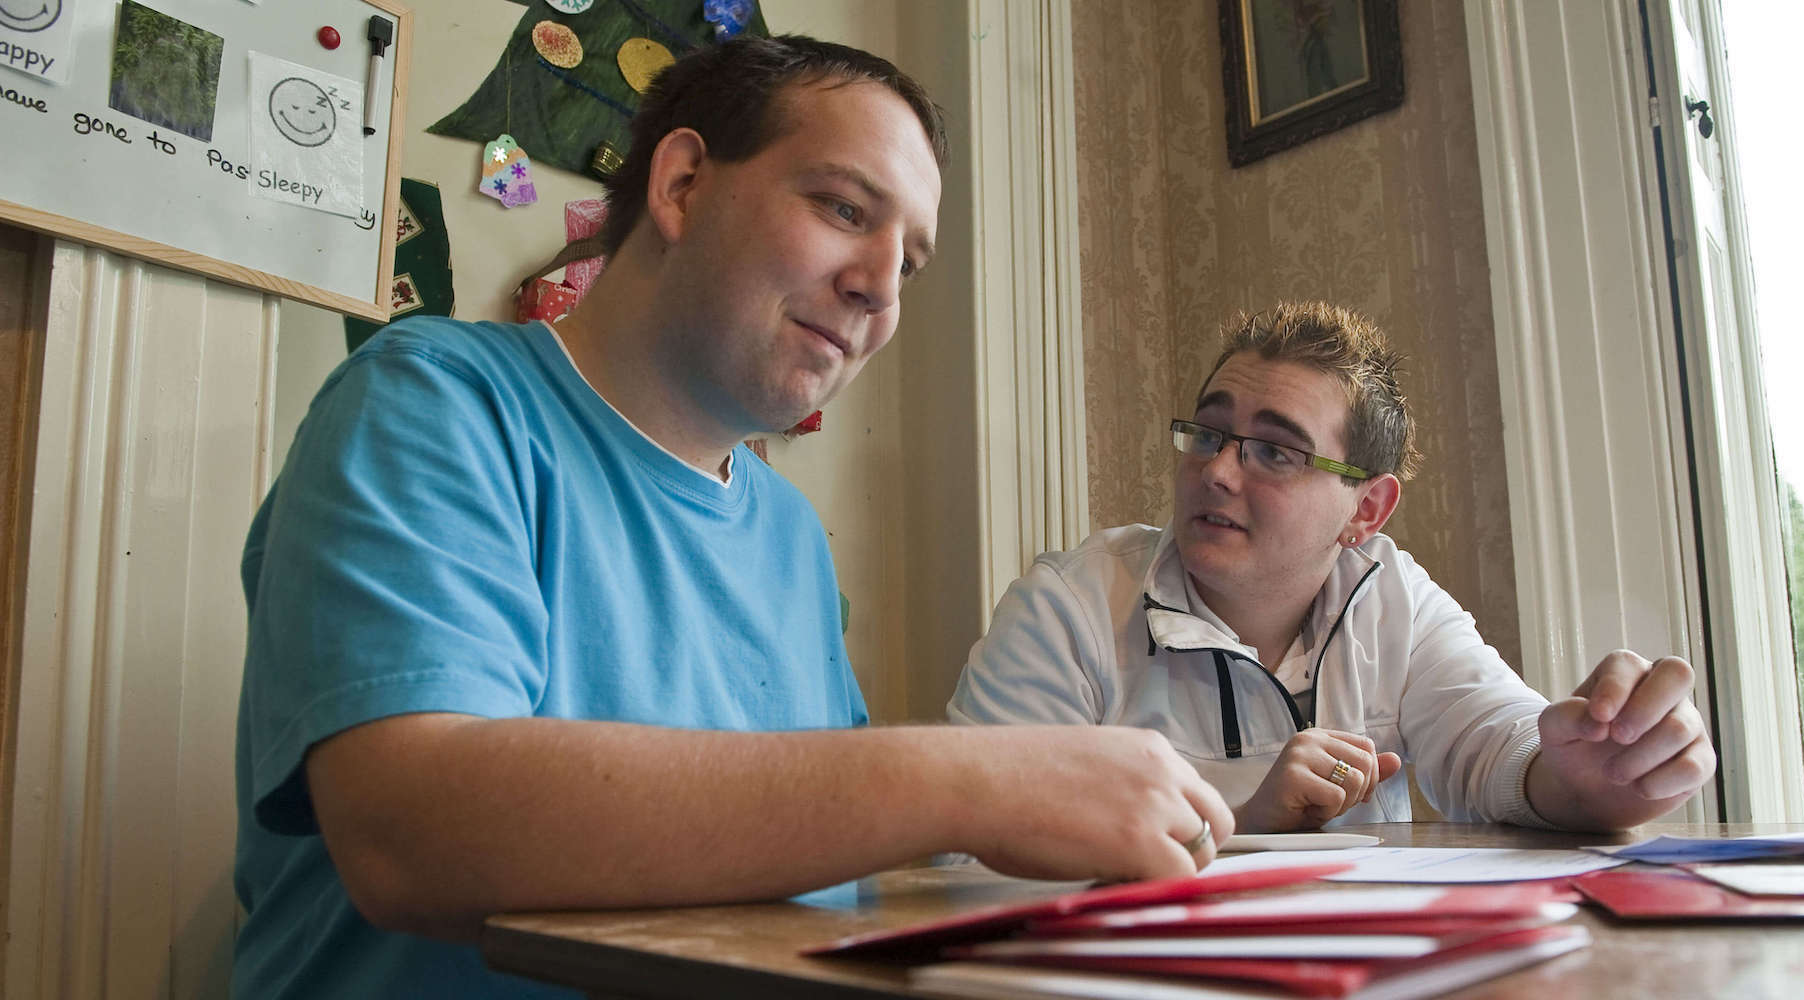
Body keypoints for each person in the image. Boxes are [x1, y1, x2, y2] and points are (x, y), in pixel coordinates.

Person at [232, 35, 1232, 1000]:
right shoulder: (433, 402)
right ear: (678, 185)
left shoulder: (788, 534)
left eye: (910, 264)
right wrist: (980, 778)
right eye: (844, 207)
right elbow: (409, 829)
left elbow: (821, 868)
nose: (880, 289)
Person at [949, 301, 1716, 835]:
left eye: (1275, 451)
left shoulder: (1394, 599)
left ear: (1367, 511)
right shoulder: (1068, 606)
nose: (1217, 472)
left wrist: (1587, 778)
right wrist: (1241, 815)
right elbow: (971, 839)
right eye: (1208, 433)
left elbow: (1499, 747)